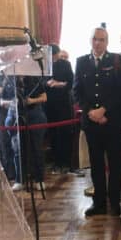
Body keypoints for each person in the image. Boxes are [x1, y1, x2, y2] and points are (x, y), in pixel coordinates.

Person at [73, 28, 121, 217]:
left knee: (114, 164)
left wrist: (104, 110)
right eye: (95, 39)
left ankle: (114, 202)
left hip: (112, 121)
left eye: (102, 40)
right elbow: (77, 91)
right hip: (91, 122)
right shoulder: (81, 62)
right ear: (90, 40)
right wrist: (91, 112)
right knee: (96, 164)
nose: (98, 43)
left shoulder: (116, 60)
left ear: (107, 41)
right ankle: (99, 203)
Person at [6, 75, 48, 192]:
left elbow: (44, 97)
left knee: (36, 149)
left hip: (34, 115)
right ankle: (19, 180)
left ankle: (39, 179)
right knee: (17, 150)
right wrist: (12, 102)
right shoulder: (9, 80)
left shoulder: (34, 79)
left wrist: (31, 101)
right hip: (15, 116)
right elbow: (1, 100)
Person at [46, 44, 74, 175]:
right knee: (53, 135)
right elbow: (40, 81)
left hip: (63, 103)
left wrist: (59, 84)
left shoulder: (65, 64)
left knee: (64, 134)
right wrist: (47, 83)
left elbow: (71, 82)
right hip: (49, 104)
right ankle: (56, 163)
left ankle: (66, 163)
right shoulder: (44, 64)